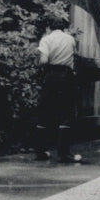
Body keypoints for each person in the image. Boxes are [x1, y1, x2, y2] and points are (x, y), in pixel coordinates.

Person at [34, 17, 80, 164]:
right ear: (64, 28)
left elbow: (43, 61)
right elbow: (75, 56)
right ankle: (63, 154)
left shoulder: (46, 39)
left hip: (51, 76)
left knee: (45, 111)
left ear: (49, 27)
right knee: (66, 113)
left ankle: (40, 152)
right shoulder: (70, 39)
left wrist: (38, 61)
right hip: (66, 76)